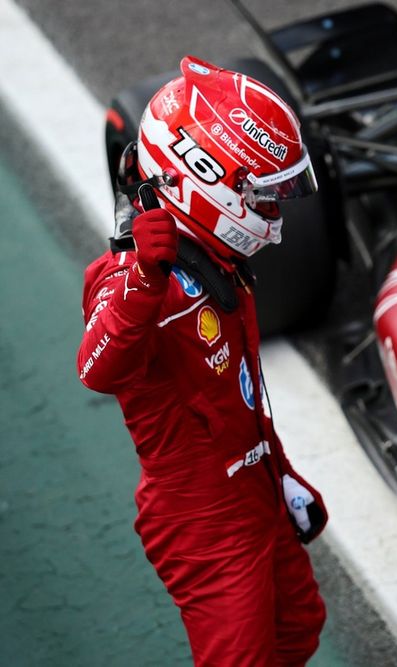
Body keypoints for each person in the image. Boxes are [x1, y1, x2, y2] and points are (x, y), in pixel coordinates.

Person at [77, 56, 328, 666]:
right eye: (264, 197)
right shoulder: (132, 279)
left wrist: (282, 473)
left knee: (300, 627)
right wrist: (141, 279)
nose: (274, 215)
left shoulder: (218, 264)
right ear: (206, 178)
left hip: (256, 492)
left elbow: (237, 398)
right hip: (202, 528)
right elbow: (95, 370)